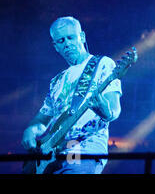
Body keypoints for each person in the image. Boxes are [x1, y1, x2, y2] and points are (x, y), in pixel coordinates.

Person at [21, 16, 122, 174]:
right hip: (53, 153)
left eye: (70, 37)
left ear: (81, 37)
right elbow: (43, 118)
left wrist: (106, 112)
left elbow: (114, 110)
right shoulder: (57, 81)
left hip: (83, 149)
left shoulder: (102, 64)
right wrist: (30, 130)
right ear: (55, 46)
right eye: (61, 41)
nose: (67, 43)